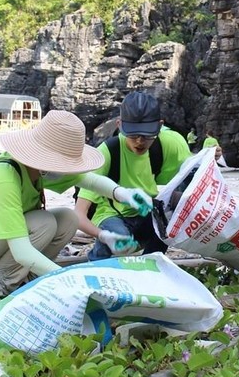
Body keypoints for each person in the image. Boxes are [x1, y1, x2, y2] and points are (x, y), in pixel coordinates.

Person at [0, 111, 150, 303]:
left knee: (68, 219)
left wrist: (123, 194)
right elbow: (22, 252)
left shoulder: (37, 169)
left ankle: (26, 280)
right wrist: (70, 280)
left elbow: (89, 180)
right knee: (43, 222)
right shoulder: (3, 179)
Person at [72, 91, 192, 261]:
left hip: (146, 214)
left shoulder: (171, 143)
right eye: (133, 134)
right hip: (112, 214)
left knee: (168, 219)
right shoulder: (107, 152)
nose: (139, 141)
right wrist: (103, 235)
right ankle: (97, 261)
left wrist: (211, 156)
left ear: (159, 126)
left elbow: (194, 175)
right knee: (118, 234)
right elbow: (79, 214)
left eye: (147, 135)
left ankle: (150, 262)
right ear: (119, 125)